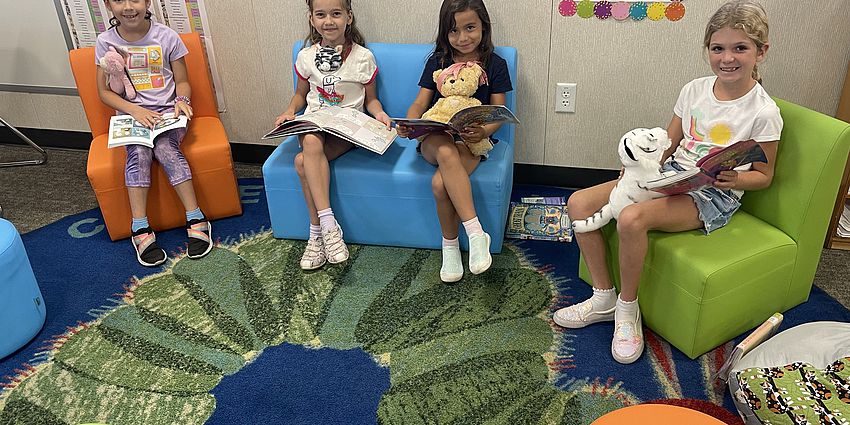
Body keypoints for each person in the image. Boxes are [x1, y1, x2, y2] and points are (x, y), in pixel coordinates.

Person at [553, 0, 782, 364]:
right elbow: (668, 144)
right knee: (579, 202)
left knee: (631, 218)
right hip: (672, 175)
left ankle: (628, 311)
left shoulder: (764, 111)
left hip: (713, 194)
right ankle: (603, 298)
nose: (728, 58)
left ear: (761, 51)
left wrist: (732, 178)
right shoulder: (693, 89)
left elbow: (763, 176)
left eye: (740, 48)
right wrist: (638, 172)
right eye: (718, 48)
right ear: (707, 50)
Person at [396, 0, 513, 283]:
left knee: (439, 183)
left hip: (470, 140)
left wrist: (485, 132)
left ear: (483, 25)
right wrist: (409, 123)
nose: (462, 38)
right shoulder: (437, 61)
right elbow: (419, 103)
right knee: (445, 152)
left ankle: (449, 247)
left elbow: (499, 112)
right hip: (434, 139)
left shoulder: (496, 64)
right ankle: (475, 233)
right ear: (444, 33)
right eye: (453, 31)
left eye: (470, 28)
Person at [275, 0, 392, 271]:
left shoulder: (363, 57)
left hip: (346, 128)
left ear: (348, 17)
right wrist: (290, 111)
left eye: (336, 14)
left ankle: (315, 233)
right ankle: (328, 225)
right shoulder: (306, 57)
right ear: (312, 19)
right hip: (315, 122)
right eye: (321, 14)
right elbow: (299, 95)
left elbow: (371, 100)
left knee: (302, 162)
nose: (329, 21)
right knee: (312, 140)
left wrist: (380, 115)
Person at [96, 0, 213, 267]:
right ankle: (139, 227)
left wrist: (182, 100)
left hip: (167, 115)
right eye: (118, 0)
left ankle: (196, 216)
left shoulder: (166, 36)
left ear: (147, 2)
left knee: (164, 149)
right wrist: (135, 112)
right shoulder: (105, 42)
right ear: (107, 4)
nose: (128, 7)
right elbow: (104, 92)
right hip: (131, 117)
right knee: (138, 153)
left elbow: (182, 81)